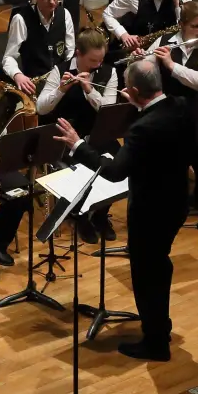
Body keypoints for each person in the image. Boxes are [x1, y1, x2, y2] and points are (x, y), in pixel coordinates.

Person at [52, 60, 193, 361]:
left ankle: (155, 342)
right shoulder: (180, 106)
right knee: (160, 264)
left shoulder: (142, 128)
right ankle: (160, 326)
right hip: (177, 202)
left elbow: (115, 172)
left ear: (135, 91)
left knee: (146, 274)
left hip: (150, 211)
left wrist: (78, 145)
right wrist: (140, 105)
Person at [36, 28, 120, 242]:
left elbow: (108, 110)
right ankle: (80, 215)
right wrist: (60, 90)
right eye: (92, 60)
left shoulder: (109, 73)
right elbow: (41, 108)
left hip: (98, 135)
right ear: (78, 54)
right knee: (84, 168)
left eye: (101, 60)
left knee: (117, 161)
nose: (98, 65)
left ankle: (100, 214)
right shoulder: (60, 70)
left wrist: (90, 90)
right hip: (67, 138)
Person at [148, 1, 198, 214]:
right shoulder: (165, 41)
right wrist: (141, 61)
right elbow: (145, 68)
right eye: (196, 26)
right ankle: (169, 195)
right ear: (182, 25)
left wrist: (171, 65)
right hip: (171, 108)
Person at [1, 0, 74, 97]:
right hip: (34, 86)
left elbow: (70, 52)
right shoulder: (20, 19)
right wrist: (18, 75)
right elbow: (8, 58)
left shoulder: (65, 15)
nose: (52, 2)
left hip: (60, 83)